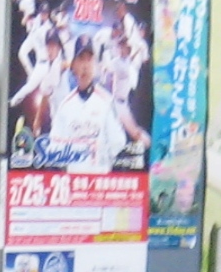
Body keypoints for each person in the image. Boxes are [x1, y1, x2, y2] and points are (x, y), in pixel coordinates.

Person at [47, 36, 147, 172]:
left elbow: (118, 143)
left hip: (100, 185)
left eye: (89, 59)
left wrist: (99, 154)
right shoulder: (65, 106)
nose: (85, 65)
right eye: (81, 59)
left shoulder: (106, 102)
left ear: (95, 64)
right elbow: (55, 147)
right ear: (73, 66)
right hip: (74, 183)